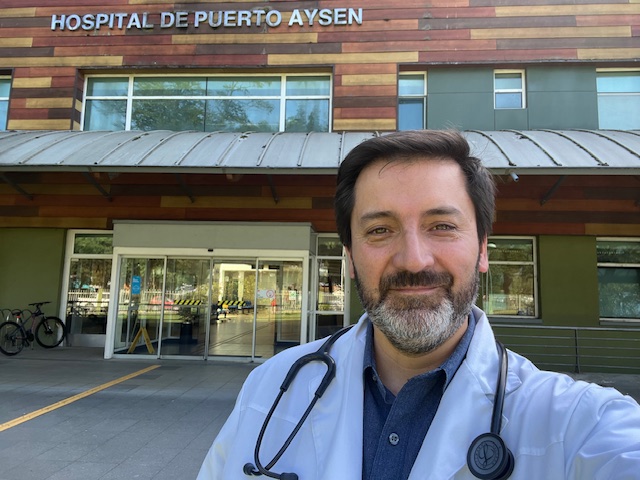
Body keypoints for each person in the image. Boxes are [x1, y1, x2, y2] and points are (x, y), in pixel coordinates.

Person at [197, 130, 640, 479]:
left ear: (483, 249)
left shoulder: (582, 423)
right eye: (380, 230)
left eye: (442, 226)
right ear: (349, 258)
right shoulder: (270, 388)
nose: (413, 260)